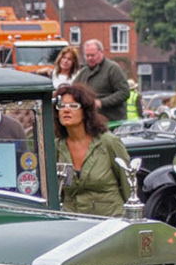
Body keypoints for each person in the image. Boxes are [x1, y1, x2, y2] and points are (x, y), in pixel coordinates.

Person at [52, 82, 130, 217]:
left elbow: (128, 185)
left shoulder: (109, 142)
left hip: (110, 222)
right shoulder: (56, 146)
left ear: (85, 111)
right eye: (62, 106)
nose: (66, 110)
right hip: (74, 223)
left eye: (73, 106)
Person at [69, 39, 131, 126]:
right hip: (91, 122)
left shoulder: (112, 69)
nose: (90, 58)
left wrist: (101, 102)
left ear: (101, 53)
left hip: (112, 122)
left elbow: (124, 92)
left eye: (92, 55)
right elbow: (73, 91)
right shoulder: (83, 73)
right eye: (87, 56)